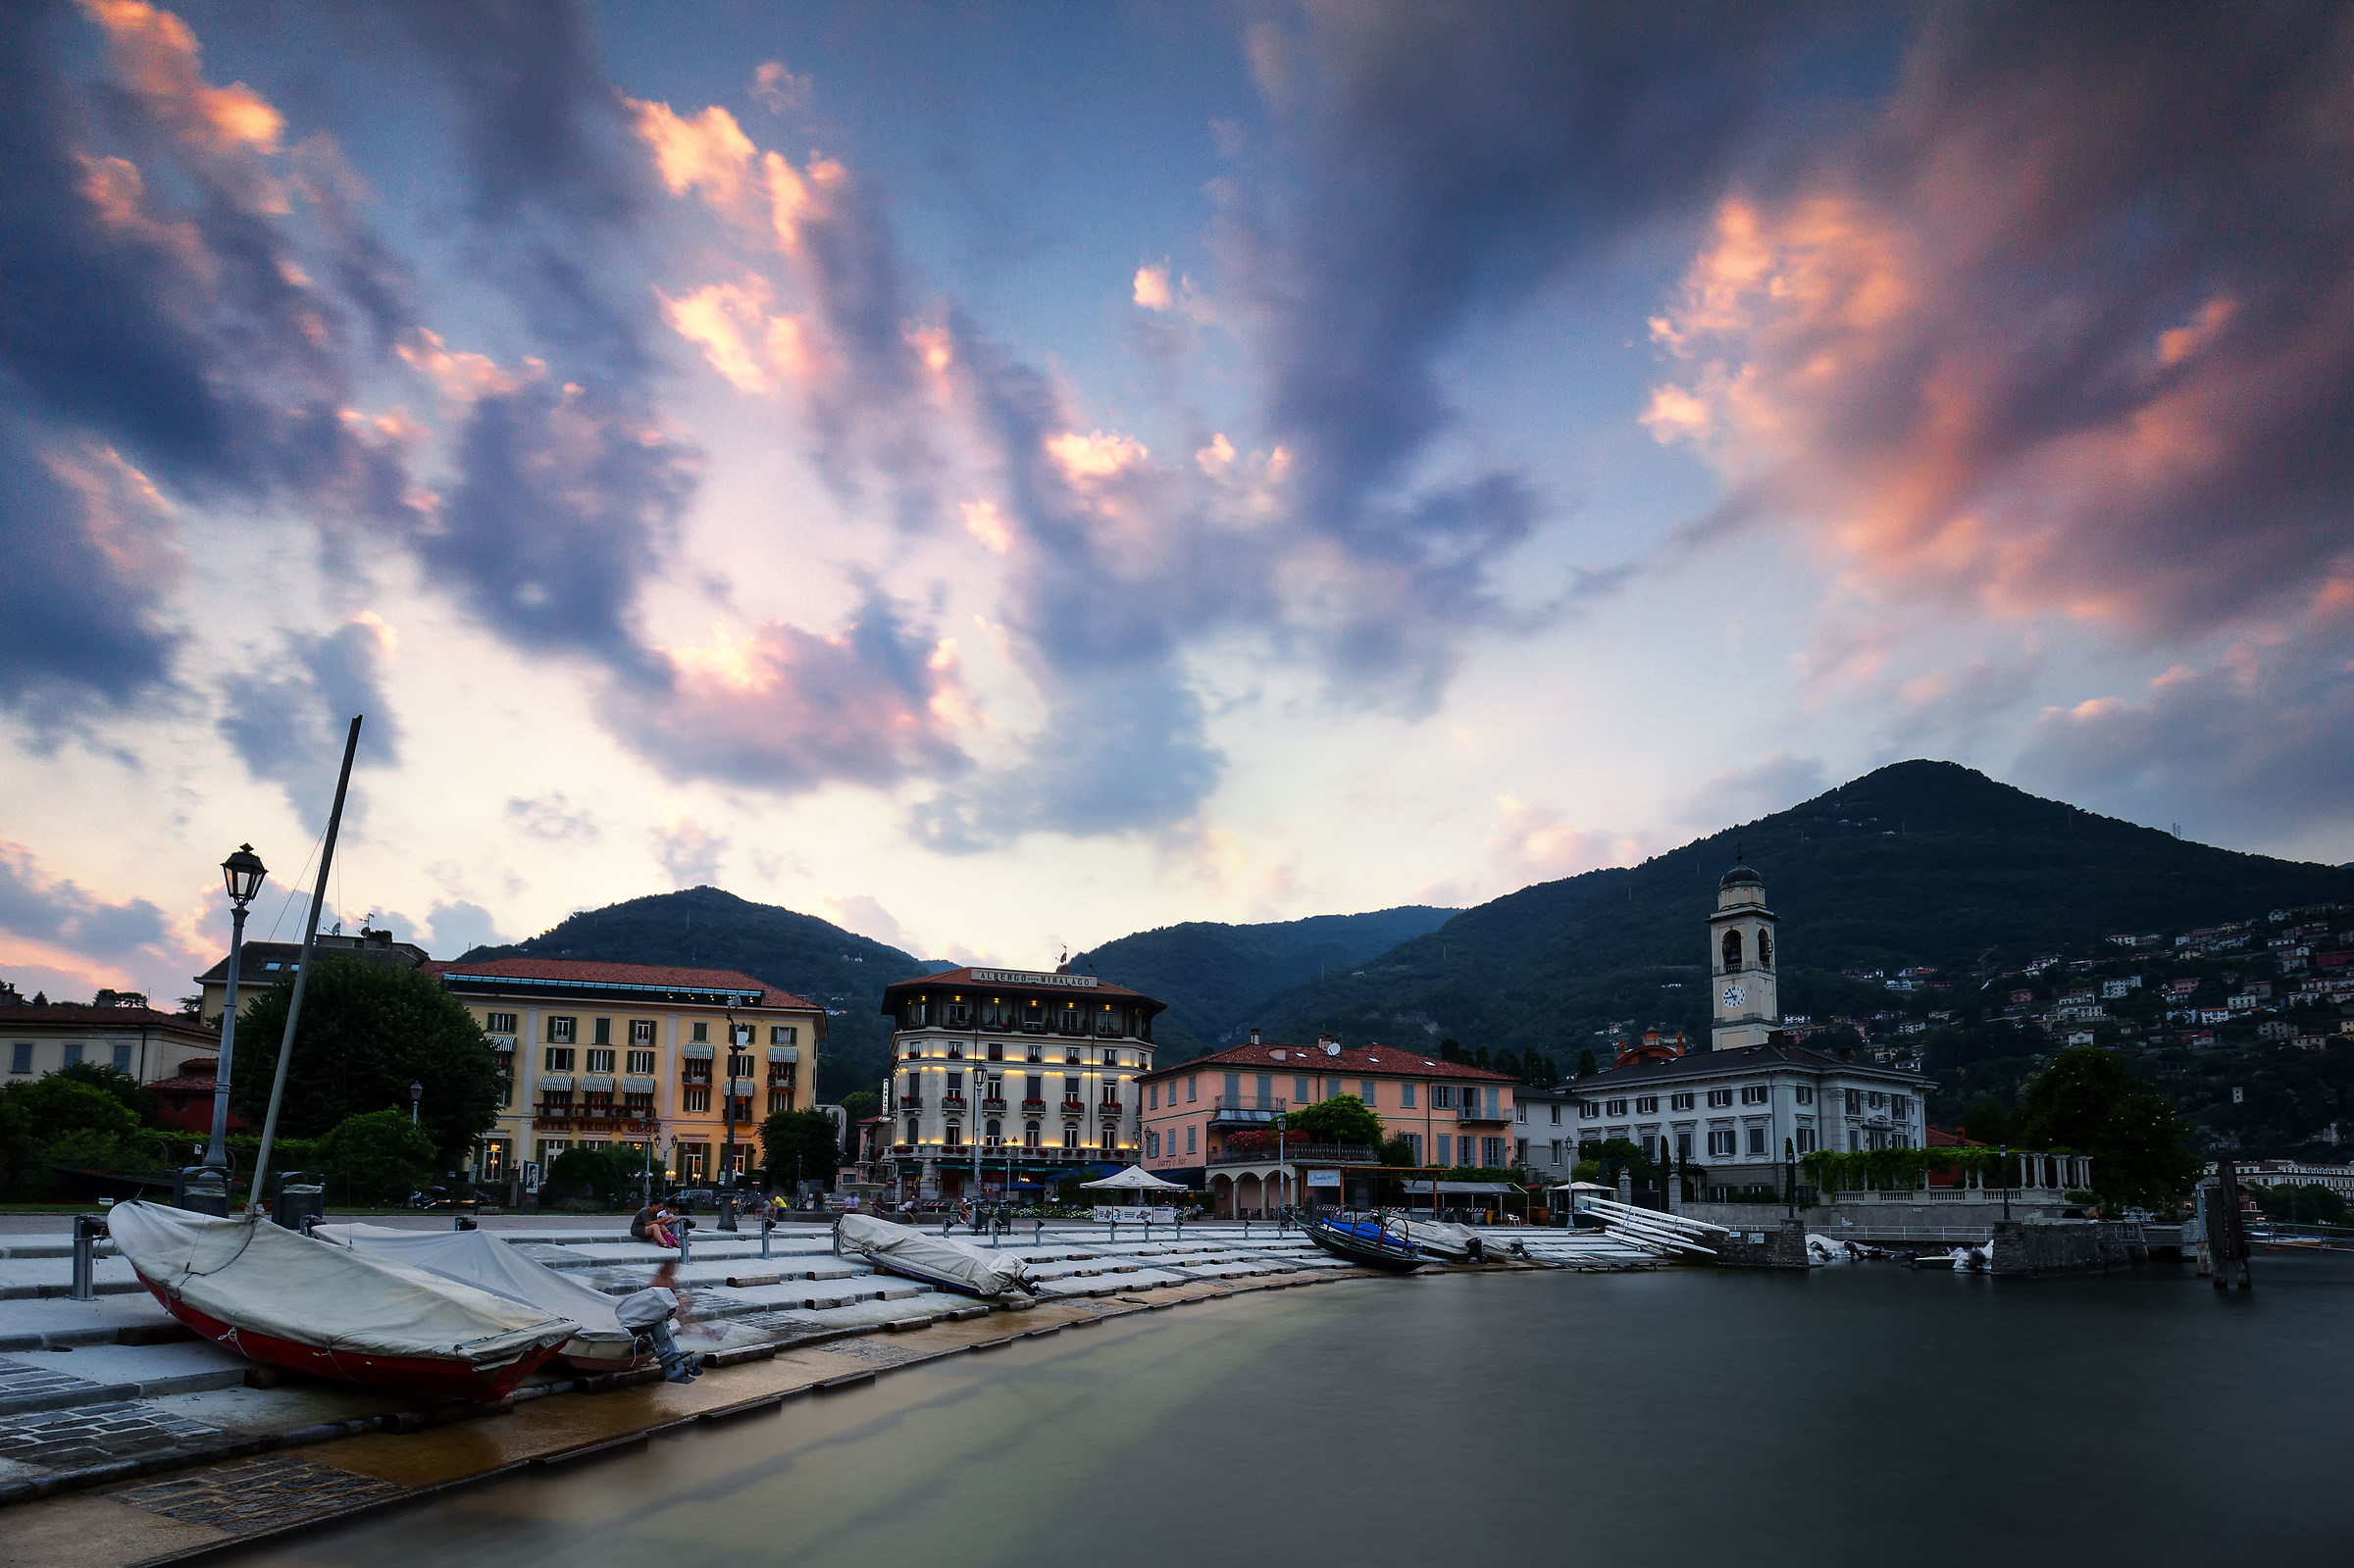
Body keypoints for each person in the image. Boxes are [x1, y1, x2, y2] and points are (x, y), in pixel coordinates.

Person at [614, 1259, 702, 1384]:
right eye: (673, 1268)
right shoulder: (656, 1281)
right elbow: (652, 1299)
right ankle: (707, 1332)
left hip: (665, 1311)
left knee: (689, 1316)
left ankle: (708, 1332)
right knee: (683, 1317)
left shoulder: (672, 1280)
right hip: (657, 1312)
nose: (675, 1270)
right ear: (667, 1268)